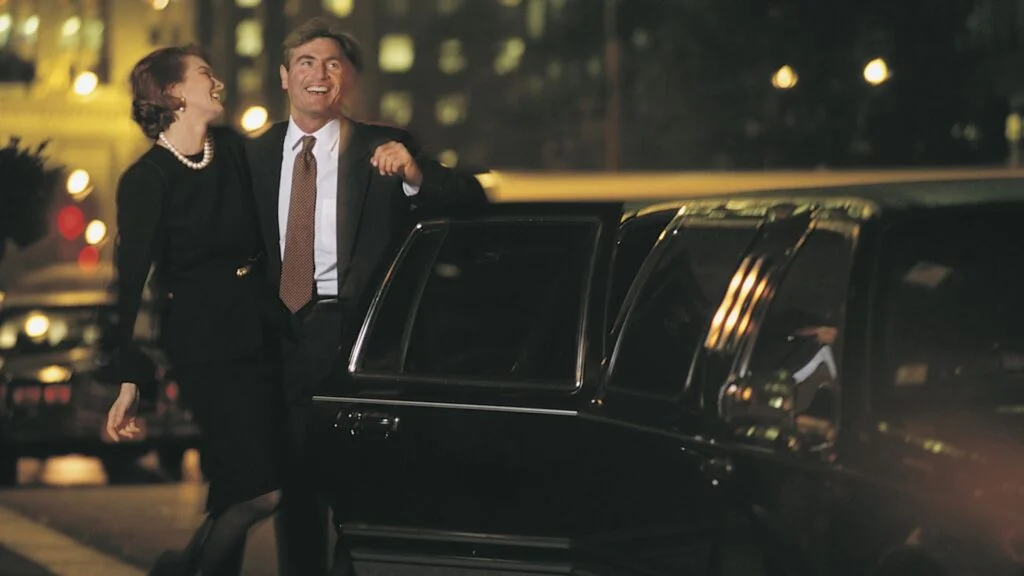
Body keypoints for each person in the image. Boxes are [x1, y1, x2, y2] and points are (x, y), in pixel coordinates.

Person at [245, 16, 487, 576]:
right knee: (294, 497)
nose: (319, 74)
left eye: (333, 63)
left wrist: (414, 175)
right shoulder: (253, 158)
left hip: (354, 340)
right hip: (281, 339)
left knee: (359, 498)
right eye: (306, 62)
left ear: (346, 79)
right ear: (284, 77)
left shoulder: (385, 147)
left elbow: (470, 197)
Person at [103, 45, 287, 576]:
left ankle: (182, 568)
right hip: (205, 350)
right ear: (175, 92)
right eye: (206, 74)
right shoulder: (148, 179)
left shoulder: (229, 149)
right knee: (262, 493)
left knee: (237, 484)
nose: (219, 82)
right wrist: (128, 379)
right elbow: (131, 283)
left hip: (259, 336)